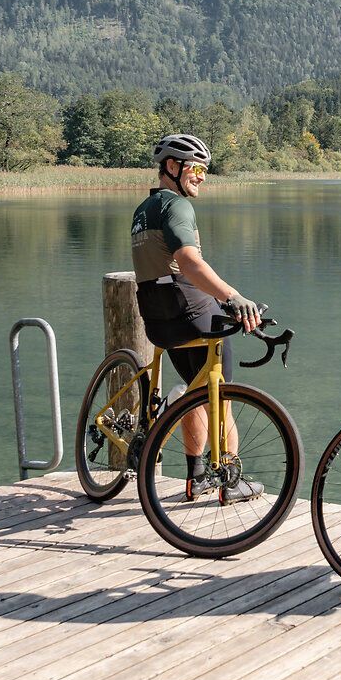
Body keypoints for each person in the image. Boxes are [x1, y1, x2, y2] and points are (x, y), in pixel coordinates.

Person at [130, 133, 264, 502]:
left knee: (195, 389)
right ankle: (232, 481)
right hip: (191, 313)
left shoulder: (143, 210)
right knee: (222, 397)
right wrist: (232, 296)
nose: (202, 176)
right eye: (196, 168)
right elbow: (189, 262)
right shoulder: (177, 207)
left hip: (159, 319)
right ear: (172, 167)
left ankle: (196, 476)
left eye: (205, 170)